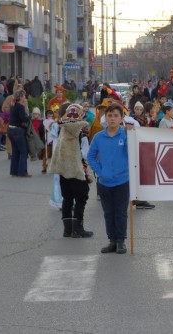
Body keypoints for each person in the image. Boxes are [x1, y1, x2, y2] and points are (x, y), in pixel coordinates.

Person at [87, 103, 131, 254]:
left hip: (122, 181)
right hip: (104, 182)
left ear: (121, 118)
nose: (112, 119)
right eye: (109, 115)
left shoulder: (126, 135)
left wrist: (131, 134)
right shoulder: (99, 137)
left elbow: (133, 152)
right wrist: (100, 171)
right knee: (108, 213)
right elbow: (91, 156)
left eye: (116, 116)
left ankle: (121, 241)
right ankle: (112, 240)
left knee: (121, 212)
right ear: (105, 117)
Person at [49, 103, 94, 237]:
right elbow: (85, 154)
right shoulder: (81, 135)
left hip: (64, 170)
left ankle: (67, 229)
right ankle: (78, 229)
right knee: (82, 197)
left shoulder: (61, 131)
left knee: (67, 199)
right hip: (77, 170)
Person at [8, 90, 32, 177]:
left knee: (15, 151)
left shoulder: (13, 105)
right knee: (23, 151)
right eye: (24, 96)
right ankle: (22, 172)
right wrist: (29, 116)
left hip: (10, 130)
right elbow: (23, 119)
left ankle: (14, 171)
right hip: (18, 131)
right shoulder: (20, 106)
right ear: (21, 97)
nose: (25, 98)